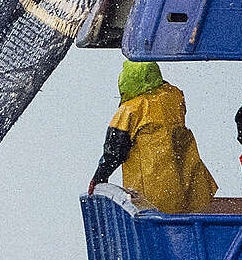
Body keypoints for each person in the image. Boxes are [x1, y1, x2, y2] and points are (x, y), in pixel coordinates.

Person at [91, 61, 217, 213]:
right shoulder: (174, 96)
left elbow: (114, 151)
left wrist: (99, 177)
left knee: (159, 228)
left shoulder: (130, 110)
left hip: (153, 193)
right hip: (187, 186)